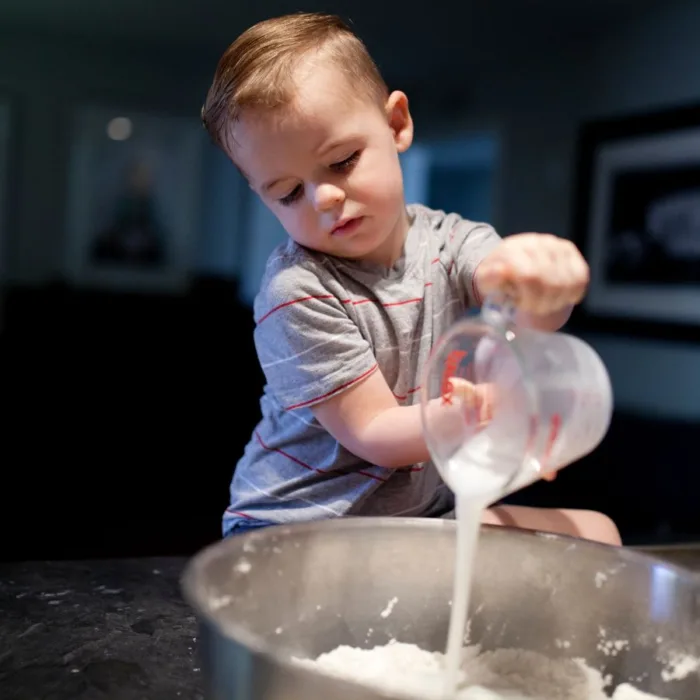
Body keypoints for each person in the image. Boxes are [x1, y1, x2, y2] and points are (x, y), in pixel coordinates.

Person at [200, 12, 621, 546]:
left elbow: (513, 295)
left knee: (597, 536)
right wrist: (480, 414)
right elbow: (375, 434)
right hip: (295, 528)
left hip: (416, 517)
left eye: (342, 161)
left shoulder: (451, 240)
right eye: (287, 193)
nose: (324, 197)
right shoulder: (297, 290)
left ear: (397, 124)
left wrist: (540, 280)